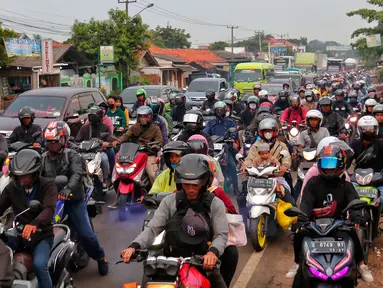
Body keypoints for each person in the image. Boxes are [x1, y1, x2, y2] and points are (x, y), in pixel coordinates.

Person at [121, 154, 229, 288]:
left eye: (195, 185)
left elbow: (221, 234)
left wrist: (212, 253)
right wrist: (134, 246)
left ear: (204, 182)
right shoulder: (169, 201)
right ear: (179, 182)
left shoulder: (215, 203)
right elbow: (153, 228)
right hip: (169, 260)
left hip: (203, 261)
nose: (190, 189)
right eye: (186, 184)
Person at [290, 145, 373, 285]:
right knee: (299, 235)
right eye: (325, 163)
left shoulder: (346, 185)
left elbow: (354, 201)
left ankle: (361, 264)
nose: (328, 168)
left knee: (353, 235)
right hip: (314, 226)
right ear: (319, 164)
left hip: (339, 225)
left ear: (340, 165)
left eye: (332, 164)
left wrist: (357, 216)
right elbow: (306, 204)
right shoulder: (312, 183)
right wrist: (301, 219)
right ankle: (298, 263)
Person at [40, 121, 109, 276]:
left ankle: (100, 257)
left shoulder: (72, 155)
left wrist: (67, 189)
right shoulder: (43, 158)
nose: (52, 145)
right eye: (49, 142)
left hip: (72, 200)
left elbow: (76, 174)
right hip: (51, 201)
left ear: (64, 139)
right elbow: (38, 177)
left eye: (55, 141)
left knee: (86, 234)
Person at [0, 149, 57, 288]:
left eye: (27, 175)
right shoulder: (12, 188)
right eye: (20, 176)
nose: (23, 179)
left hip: (41, 235)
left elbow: (49, 209)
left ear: (36, 173)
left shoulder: (47, 185)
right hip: (18, 235)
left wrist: (35, 223)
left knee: (39, 265)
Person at [112, 106, 163, 184]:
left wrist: (153, 145)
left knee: (153, 175)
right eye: (141, 116)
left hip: (148, 154)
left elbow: (159, 141)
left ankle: (157, 193)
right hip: (134, 153)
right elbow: (126, 136)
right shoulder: (134, 127)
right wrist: (117, 140)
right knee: (122, 168)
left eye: (145, 116)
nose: (143, 119)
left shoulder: (155, 128)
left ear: (149, 117)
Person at [76, 106, 114, 192]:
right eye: (91, 116)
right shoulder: (84, 127)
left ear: (100, 116)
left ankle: (105, 180)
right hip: (85, 152)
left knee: (104, 159)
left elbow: (109, 140)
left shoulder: (105, 128)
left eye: (94, 116)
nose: (92, 118)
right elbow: (77, 140)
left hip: (99, 152)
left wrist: (106, 144)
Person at [204, 101, 239, 194]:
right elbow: (205, 132)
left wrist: (231, 137)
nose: (219, 112)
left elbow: (234, 132)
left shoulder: (230, 122)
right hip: (213, 149)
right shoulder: (210, 123)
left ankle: (235, 188)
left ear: (225, 110)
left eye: (221, 110)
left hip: (226, 148)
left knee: (232, 166)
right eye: (217, 110)